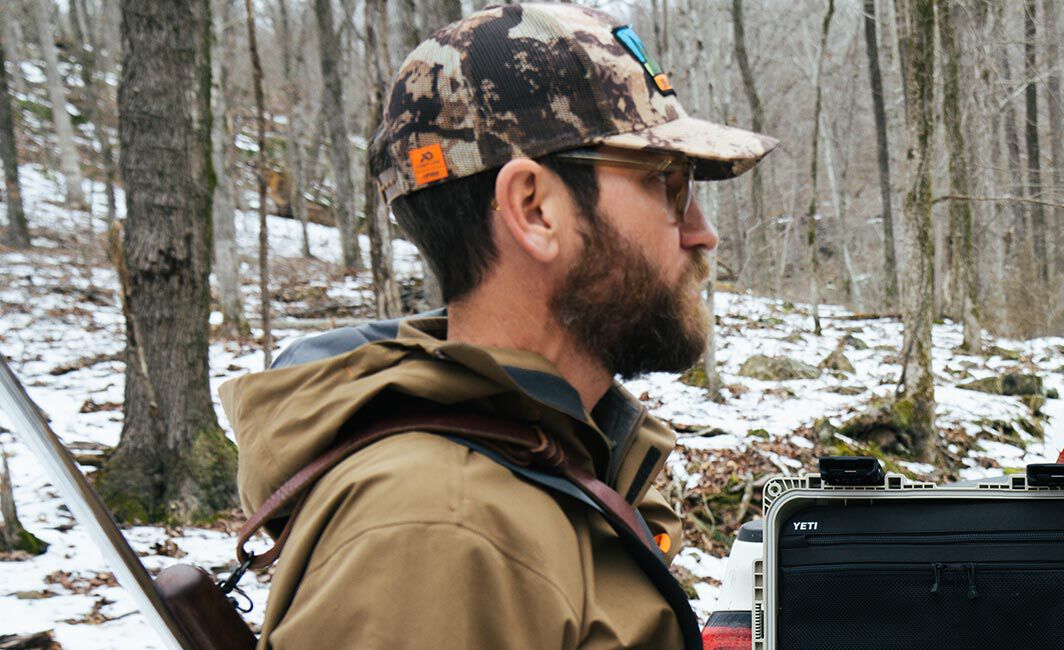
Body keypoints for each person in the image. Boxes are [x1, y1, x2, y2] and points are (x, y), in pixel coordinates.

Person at [216, 4, 775, 647]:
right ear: (534, 209)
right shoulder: (440, 533)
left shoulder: (543, 459)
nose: (703, 233)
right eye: (669, 185)